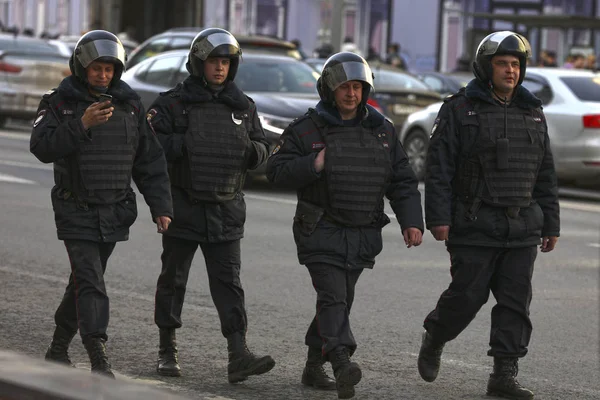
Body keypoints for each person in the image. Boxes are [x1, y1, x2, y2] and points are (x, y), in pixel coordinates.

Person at [267, 52, 424, 399]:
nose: (351, 94)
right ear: (329, 89)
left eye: (357, 87)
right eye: (343, 87)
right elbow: (274, 171)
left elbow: (402, 181)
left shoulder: (381, 130)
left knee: (339, 300)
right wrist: (314, 163)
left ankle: (312, 364)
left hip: (362, 230)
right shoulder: (307, 128)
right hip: (319, 227)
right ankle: (340, 362)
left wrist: (412, 221)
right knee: (333, 296)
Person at [417, 31, 560, 400]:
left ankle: (504, 374)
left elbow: (544, 172)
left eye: (516, 64)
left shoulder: (533, 110)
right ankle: (436, 336)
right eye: (502, 63)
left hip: (523, 225)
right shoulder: (460, 108)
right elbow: (439, 167)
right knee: (468, 296)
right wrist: (438, 218)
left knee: (515, 303)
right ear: (486, 67)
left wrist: (551, 223)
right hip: (474, 222)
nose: (510, 71)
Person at [30, 30, 173, 378]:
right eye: (97, 67)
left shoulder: (130, 104)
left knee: (82, 282)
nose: (103, 74)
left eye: (109, 68)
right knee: (91, 281)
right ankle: (98, 356)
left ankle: (58, 347)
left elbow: (149, 160)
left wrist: (161, 207)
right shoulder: (58, 103)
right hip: (74, 207)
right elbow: (42, 147)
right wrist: (81, 124)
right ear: (81, 66)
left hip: (114, 209)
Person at [147, 28, 275, 383]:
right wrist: (188, 144)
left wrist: (251, 151)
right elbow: (149, 147)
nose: (219, 68)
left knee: (228, 284)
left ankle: (238, 354)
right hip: (184, 205)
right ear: (198, 63)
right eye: (213, 61)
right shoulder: (172, 103)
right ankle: (167, 349)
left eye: (225, 62)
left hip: (225, 208)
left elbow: (262, 148)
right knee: (173, 280)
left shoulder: (243, 106)